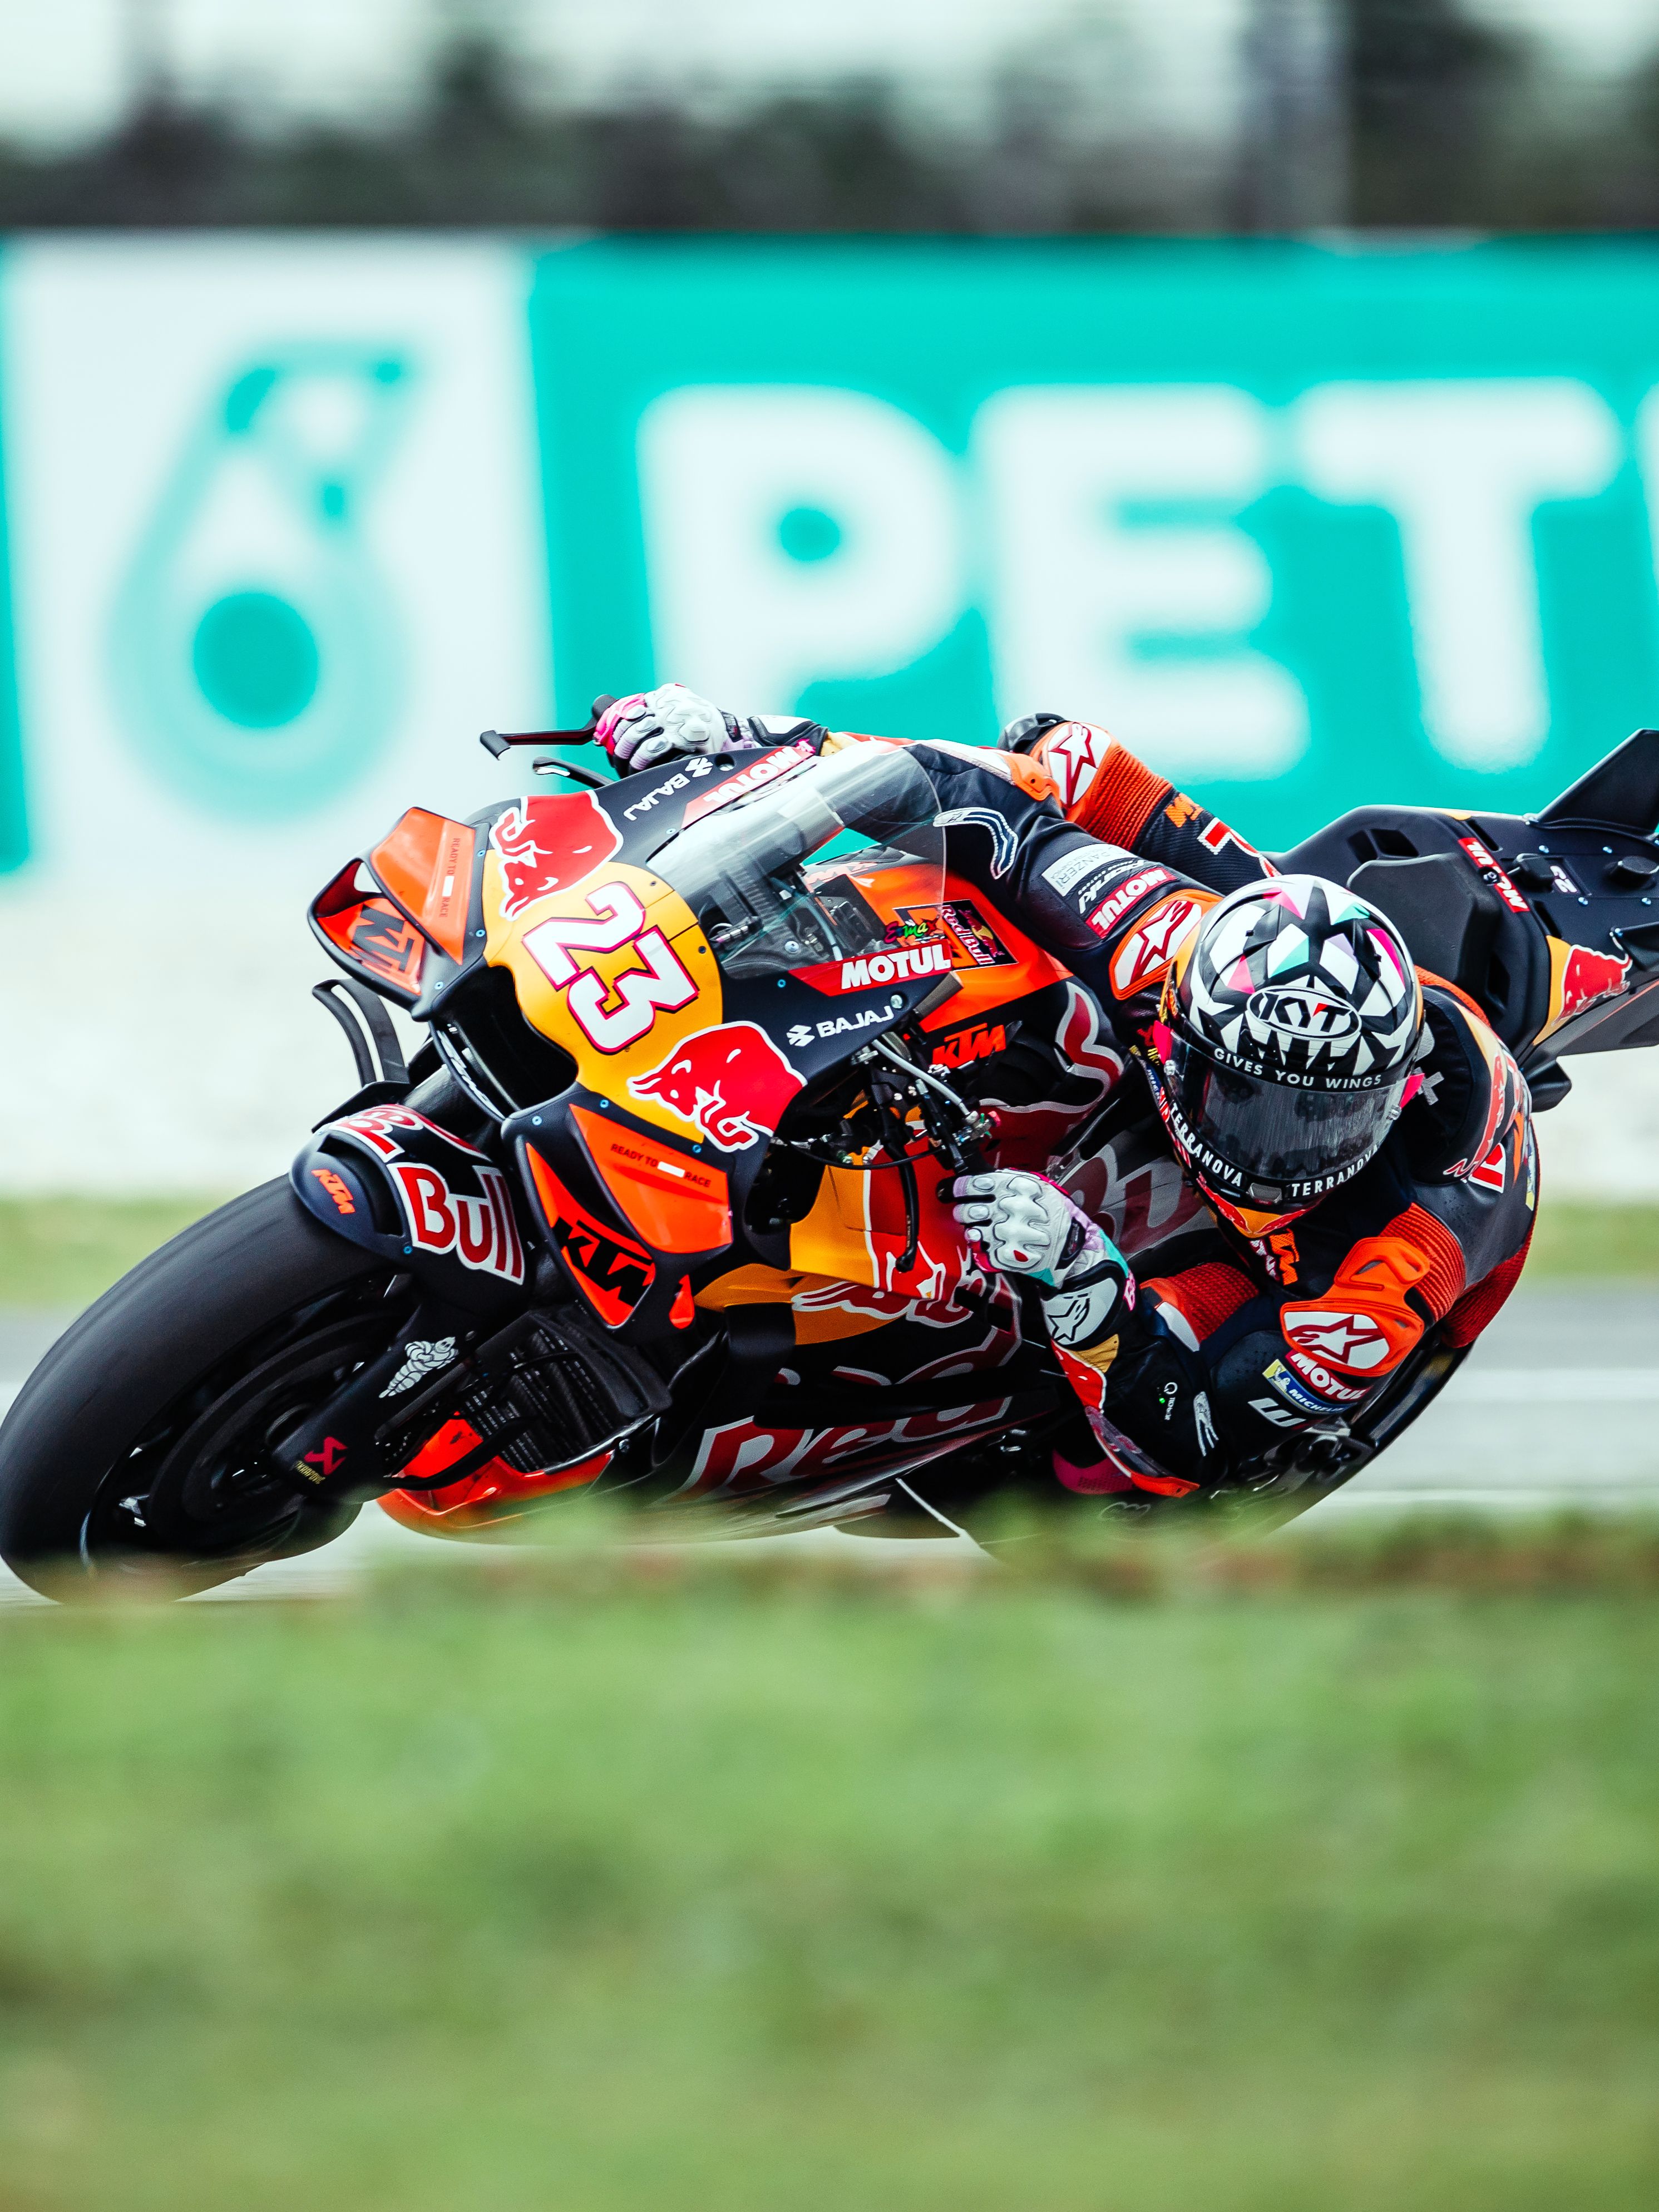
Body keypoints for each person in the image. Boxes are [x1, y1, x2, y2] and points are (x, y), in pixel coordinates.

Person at [593, 684, 1538, 1504]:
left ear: (1392, 1093)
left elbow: (1201, 1440)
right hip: (1213, 956)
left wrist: (1083, 1277)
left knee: (1092, 1467)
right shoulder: (1157, 945)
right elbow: (966, 803)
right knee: (1063, 759)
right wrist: (746, 740)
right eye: (1241, 1100)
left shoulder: (1390, 1268)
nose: (1270, 1148)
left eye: (1319, 1119)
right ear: (1176, 1026)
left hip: (1281, 1268)